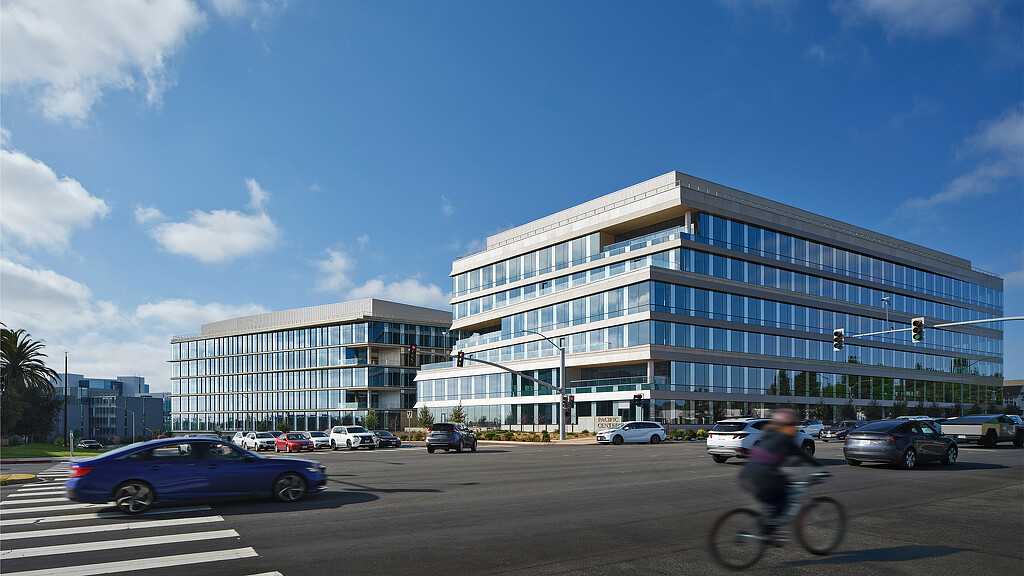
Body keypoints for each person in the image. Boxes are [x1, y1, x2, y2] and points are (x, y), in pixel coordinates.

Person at [739, 408, 823, 538]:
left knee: (770, 501)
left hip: (746, 474)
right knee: (784, 497)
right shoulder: (786, 439)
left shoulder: (767, 434)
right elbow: (802, 455)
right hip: (763, 476)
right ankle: (769, 531)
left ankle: (763, 527)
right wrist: (819, 467)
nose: (794, 428)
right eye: (793, 425)